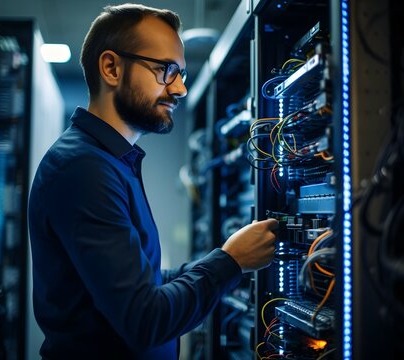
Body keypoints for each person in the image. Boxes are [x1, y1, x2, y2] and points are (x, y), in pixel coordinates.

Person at [27, 3, 278, 359]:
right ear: (111, 68)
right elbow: (145, 319)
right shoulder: (83, 168)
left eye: (182, 75)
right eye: (166, 70)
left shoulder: (107, 161)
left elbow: (140, 282)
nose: (180, 90)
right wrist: (229, 262)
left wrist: (224, 257)